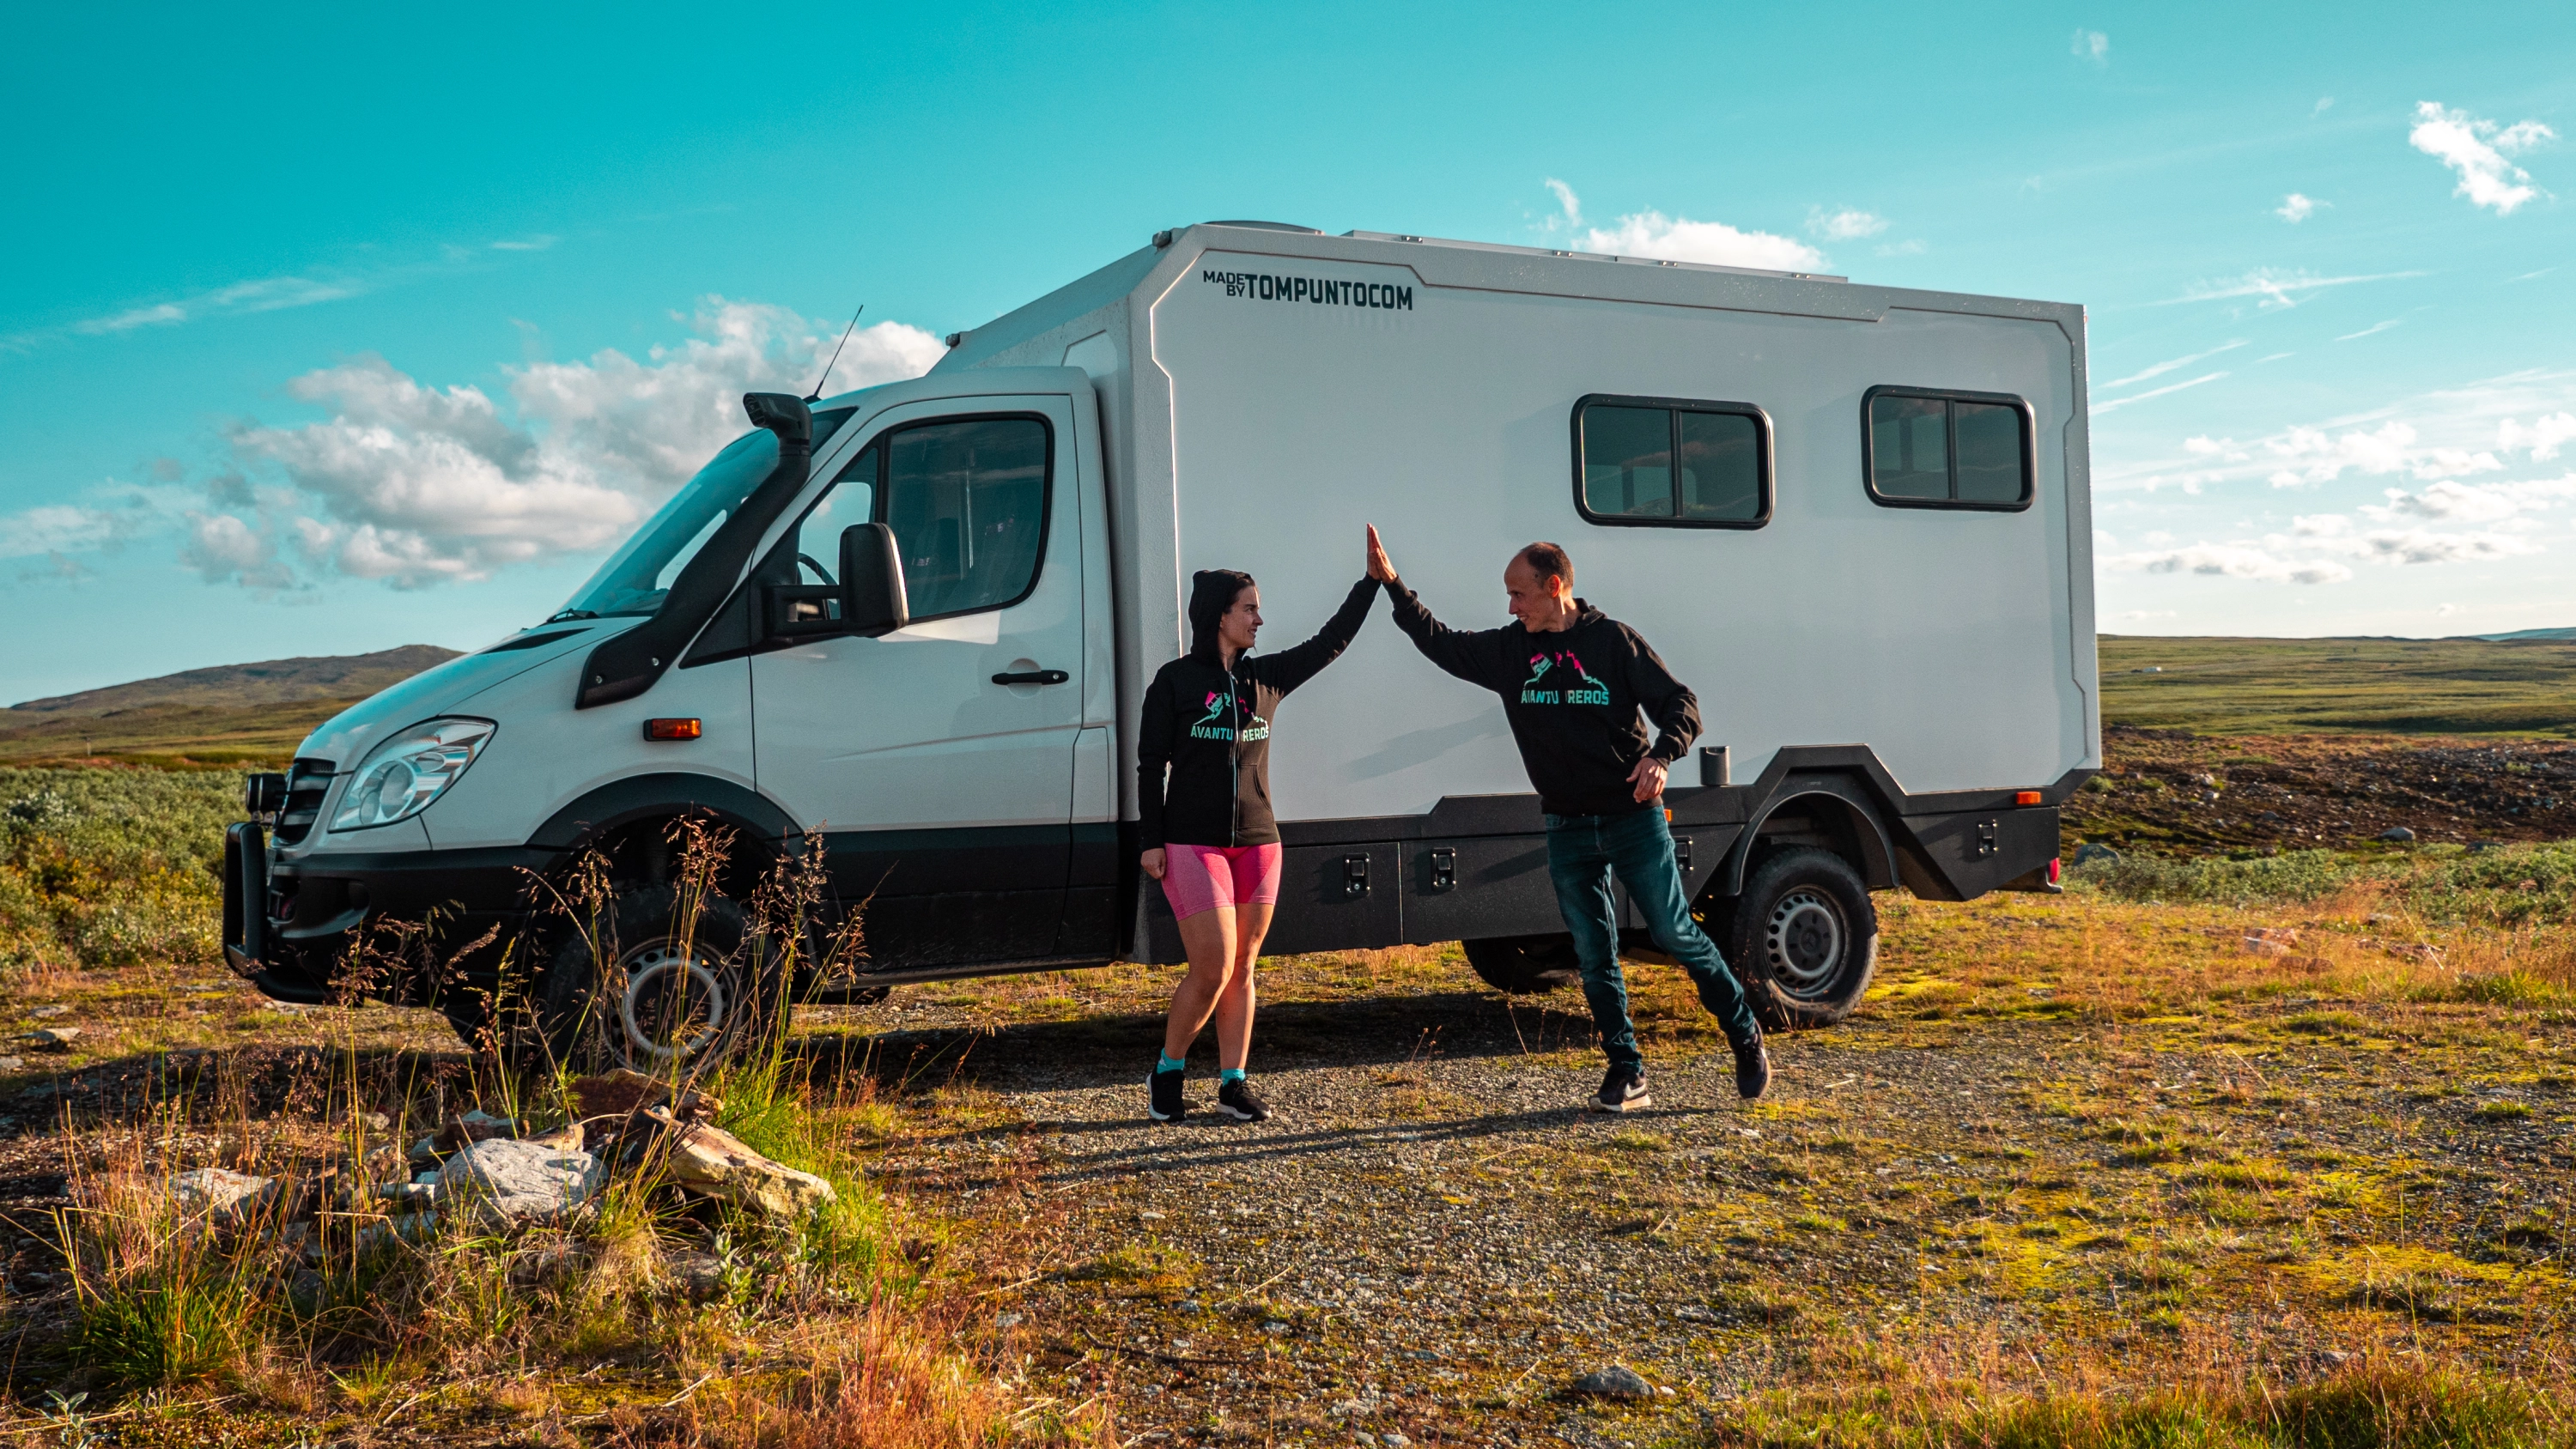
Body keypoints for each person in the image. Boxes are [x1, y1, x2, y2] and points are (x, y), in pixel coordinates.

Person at [1365, 526, 1769, 1110]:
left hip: (1632, 819)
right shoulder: (1511, 651)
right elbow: (1442, 643)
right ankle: (1627, 1072)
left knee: (1673, 931)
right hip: (1566, 826)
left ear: (1554, 587)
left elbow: (1682, 704)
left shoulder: (1612, 643)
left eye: (1519, 594)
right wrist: (1395, 588)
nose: (1510, 606)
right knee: (1593, 952)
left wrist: (1662, 756)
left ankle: (1743, 1032)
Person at [1136, 537, 1387, 1123]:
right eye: (1248, 607)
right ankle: (1167, 1072)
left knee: (1245, 967)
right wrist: (1151, 839)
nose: (1259, 618)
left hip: (1258, 842)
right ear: (1218, 616)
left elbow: (1331, 642)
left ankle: (1232, 1083)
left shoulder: (1266, 680)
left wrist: (1372, 582)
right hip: (1191, 843)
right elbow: (1151, 766)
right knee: (1213, 967)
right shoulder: (1173, 683)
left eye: (1257, 607)